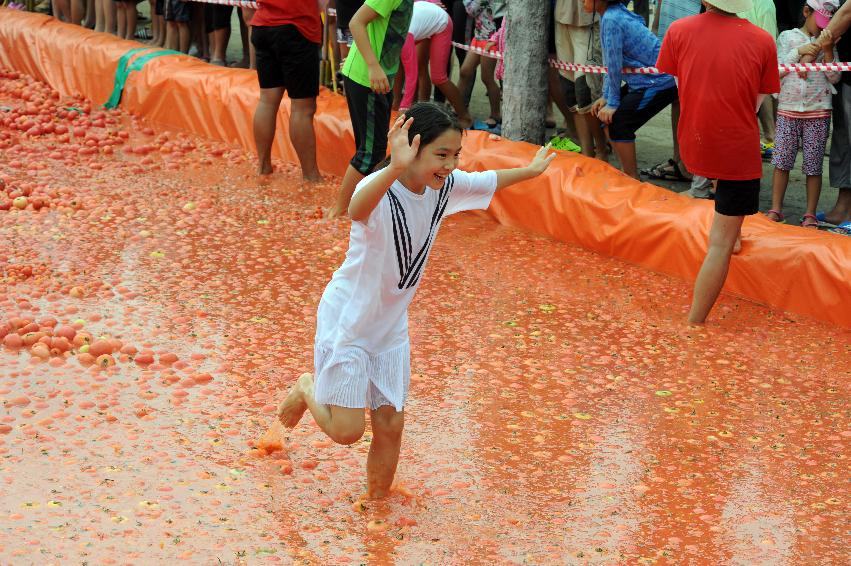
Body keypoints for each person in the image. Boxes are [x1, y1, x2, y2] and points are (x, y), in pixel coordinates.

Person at [276, 102, 557, 499]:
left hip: (390, 326)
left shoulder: (446, 188)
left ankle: (374, 510)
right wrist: (393, 166)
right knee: (347, 432)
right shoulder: (381, 190)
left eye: (455, 154)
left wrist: (529, 171)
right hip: (350, 320)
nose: (450, 164)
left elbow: (487, 179)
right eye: (441, 155)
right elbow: (356, 208)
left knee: (390, 426)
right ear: (412, 148)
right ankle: (307, 387)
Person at [656, 0, 780, 324]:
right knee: (720, 245)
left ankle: (732, 229)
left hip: (694, 142)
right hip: (736, 150)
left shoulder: (678, 30)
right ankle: (695, 323)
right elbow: (755, 104)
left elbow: (682, 88)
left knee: (716, 181)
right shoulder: (762, 40)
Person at [327, 0, 414, 218]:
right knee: (369, 152)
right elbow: (356, 22)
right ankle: (338, 212)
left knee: (373, 149)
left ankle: (365, 206)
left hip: (376, 79)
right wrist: (373, 66)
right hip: (367, 78)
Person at [766, 0, 839, 228]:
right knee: (782, 162)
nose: (821, 27)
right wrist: (799, 52)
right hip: (788, 109)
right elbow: (776, 71)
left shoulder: (829, 41)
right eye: (819, 21)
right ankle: (776, 208)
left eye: (826, 23)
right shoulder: (787, 37)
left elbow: (835, 77)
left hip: (818, 112)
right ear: (806, 12)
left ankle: (810, 214)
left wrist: (827, 51)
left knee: (813, 165)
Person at [589, 0, 678, 179]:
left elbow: (614, 65)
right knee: (606, 118)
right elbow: (610, 62)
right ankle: (626, 173)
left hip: (658, 81)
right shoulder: (611, 14)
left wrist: (612, 101)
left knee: (618, 121)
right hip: (643, 80)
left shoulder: (612, 19)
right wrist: (606, 96)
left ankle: (631, 179)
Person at [250, 0, 323, 180]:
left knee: (267, 100)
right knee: (303, 108)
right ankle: (310, 175)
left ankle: (263, 166)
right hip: (297, 27)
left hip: (263, 25)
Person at [399, 1, 472, 127]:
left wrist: (404, 106)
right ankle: (412, 110)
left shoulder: (405, 34)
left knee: (438, 78)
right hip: (423, 18)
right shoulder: (392, 32)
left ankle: (465, 117)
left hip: (441, 22)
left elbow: (411, 74)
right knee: (403, 64)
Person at [811, 0, 851, 232]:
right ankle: (843, 206)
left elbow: (847, 12)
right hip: (845, 75)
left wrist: (813, 51)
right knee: (843, 143)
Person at [554, 0, 609, 158]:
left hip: (589, 18)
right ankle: (586, 152)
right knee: (570, 91)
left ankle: (601, 150)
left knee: (586, 91)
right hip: (561, 14)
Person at [739, 0, 779, 157]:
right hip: (736, 63)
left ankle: (770, 137)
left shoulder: (765, 3)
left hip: (752, 65)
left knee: (763, 90)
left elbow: (769, 45)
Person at [457, 0, 502, 132]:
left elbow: (472, 10)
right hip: (478, 37)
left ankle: (495, 116)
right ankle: (459, 111)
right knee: (465, 72)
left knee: (487, 78)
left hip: (490, 39)